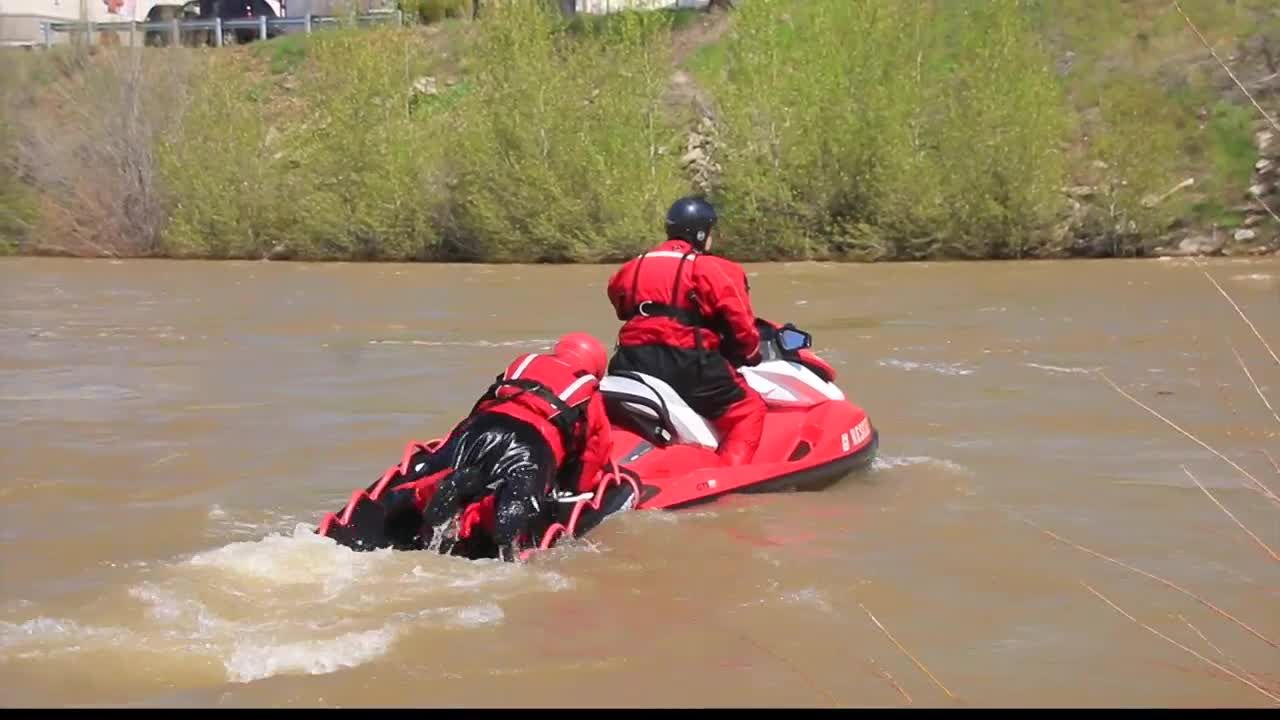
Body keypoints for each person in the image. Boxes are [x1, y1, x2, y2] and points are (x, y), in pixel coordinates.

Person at [412, 332, 614, 558]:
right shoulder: (588, 390)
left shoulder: (524, 362)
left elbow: (484, 402)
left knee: (437, 475)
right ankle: (503, 546)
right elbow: (597, 448)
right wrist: (577, 488)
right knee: (516, 505)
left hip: (481, 427)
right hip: (532, 445)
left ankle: (454, 489)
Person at [605, 195, 767, 466]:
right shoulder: (709, 267)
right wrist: (751, 354)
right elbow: (741, 321)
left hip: (630, 361)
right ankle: (730, 480)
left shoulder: (631, 267)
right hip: (687, 362)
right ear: (701, 233)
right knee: (749, 410)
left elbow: (621, 306)